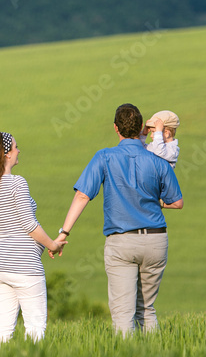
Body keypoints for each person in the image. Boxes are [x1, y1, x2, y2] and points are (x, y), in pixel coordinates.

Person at [54, 104, 183, 335]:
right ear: (141, 128)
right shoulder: (158, 160)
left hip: (122, 242)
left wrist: (64, 232)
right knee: (147, 309)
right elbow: (176, 202)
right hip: (155, 240)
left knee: (123, 313)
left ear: (116, 128)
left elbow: (83, 195)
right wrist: (155, 201)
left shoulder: (104, 157)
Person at [0, 132, 64, 346]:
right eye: (16, 147)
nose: (19, 151)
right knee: (35, 326)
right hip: (24, 266)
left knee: (3, 326)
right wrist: (53, 245)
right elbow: (29, 225)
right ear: (6, 154)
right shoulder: (17, 183)